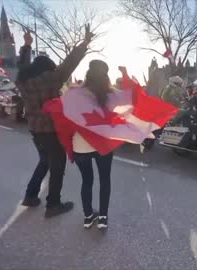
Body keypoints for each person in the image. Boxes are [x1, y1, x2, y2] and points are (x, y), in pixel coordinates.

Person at [16, 25, 94, 218]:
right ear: (48, 67)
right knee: (57, 166)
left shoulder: (23, 81)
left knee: (44, 162)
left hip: (35, 129)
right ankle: (53, 205)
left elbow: (22, 65)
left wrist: (26, 46)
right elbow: (70, 63)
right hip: (51, 130)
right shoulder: (51, 79)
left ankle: (30, 195)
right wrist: (84, 44)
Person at [73, 60, 114, 229]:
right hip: (102, 144)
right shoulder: (110, 95)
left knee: (86, 180)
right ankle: (103, 218)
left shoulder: (75, 93)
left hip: (80, 144)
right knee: (105, 180)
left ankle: (88, 216)